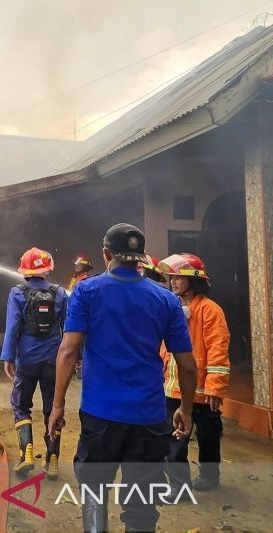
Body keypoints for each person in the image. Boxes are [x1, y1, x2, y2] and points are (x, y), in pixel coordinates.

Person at [48, 223, 197, 533]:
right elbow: (187, 365)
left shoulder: (87, 291)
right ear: (140, 258)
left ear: (106, 255)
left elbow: (68, 351)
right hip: (149, 417)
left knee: (94, 493)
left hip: (100, 416)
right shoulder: (167, 300)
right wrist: (186, 408)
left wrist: (57, 404)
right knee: (142, 505)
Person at [160, 253, 230, 492]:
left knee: (208, 437)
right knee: (175, 438)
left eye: (180, 277)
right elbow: (164, 348)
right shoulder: (173, 307)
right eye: (172, 277)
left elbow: (218, 350)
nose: (174, 282)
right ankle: (180, 487)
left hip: (202, 390)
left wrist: (215, 386)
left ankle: (210, 477)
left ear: (195, 280)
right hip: (174, 389)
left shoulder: (210, 311)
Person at [1, 247, 68, 480]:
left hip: (27, 360)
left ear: (25, 270)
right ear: (47, 269)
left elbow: (12, 327)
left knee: (21, 404)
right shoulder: (60, 294)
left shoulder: (17, 293)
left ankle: (26, 453)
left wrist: (8, 356)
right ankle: (52, 459)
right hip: (53, 361)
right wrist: (73, 359)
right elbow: (69, 330)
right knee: (53, 407)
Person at [68, 255, 92, 380]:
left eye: (78, 265)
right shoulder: (76, 279)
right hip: (74, 314)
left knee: (81, 345)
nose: (76, 267)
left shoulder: (85, 281)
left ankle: (82, 369)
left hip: (82, 318)